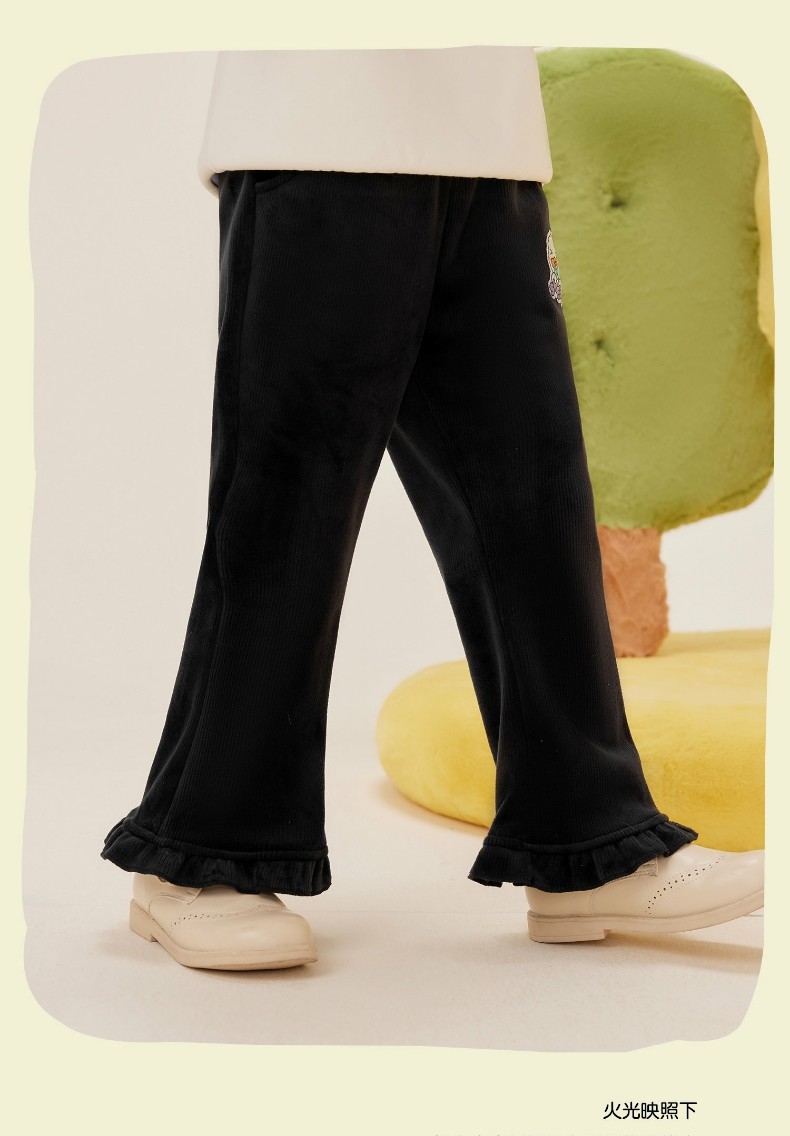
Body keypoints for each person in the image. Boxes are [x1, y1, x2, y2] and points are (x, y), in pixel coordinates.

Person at [102, 47, 764, 971]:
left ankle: (587, 843)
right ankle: (197, 855)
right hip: (320, 139)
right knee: (289, 510)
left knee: (535, 501)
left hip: (491, 153)